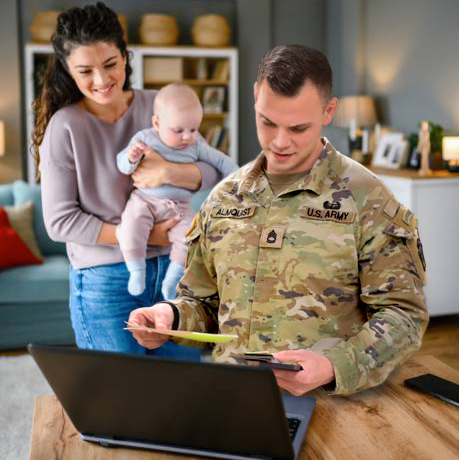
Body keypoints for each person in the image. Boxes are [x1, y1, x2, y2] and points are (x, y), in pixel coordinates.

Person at [128, 44, 429, 395]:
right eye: (267, 122)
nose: (280, 142)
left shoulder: (368, 199)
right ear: (256, 97)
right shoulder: (224, 197)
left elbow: (404, 316)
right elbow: (204, 302)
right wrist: (170, 316)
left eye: (299, 128)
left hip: (331, 408)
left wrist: (335, 366)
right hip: (231, 399)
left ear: (329, 111)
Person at [32, 2, 221, 359]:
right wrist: (144, 236)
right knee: (118, 400)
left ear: (125, 56)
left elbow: (211, 170)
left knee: (181, 394)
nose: (101, 81)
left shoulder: (160, 105)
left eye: (110, 64)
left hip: (174, 276)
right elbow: (60, 222)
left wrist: (171, 172)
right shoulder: (65, 126)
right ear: (67, 71)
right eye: (85, 70)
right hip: (105, 280)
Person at [116, 83, 238, 299]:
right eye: (178, 130)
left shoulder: (196, 144)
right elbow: (123, 165)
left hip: (179, 207)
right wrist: (131, 157)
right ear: (157, 122)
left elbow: (219, 160)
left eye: (193, 129)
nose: (187, 137)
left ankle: (173, 277)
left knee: (192, 238)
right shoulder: (144, 139)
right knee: (130, 228)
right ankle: (136, 271)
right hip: (144, 200)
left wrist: (239, 178)